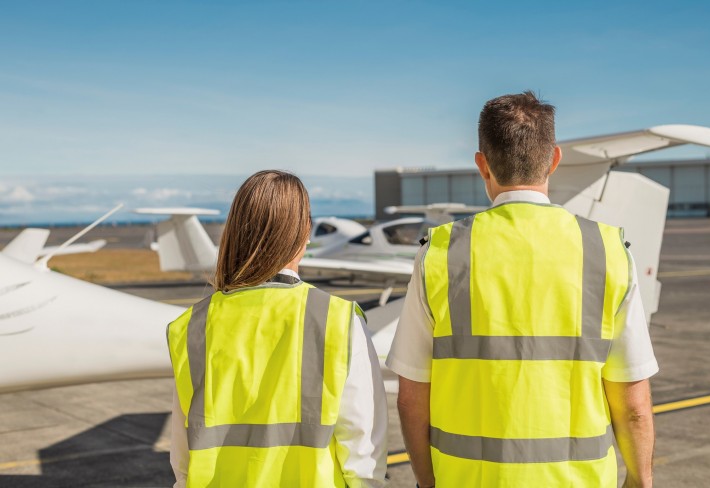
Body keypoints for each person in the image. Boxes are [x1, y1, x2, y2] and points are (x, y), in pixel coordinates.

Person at [387, 92, 658, 487]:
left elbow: (411, 399)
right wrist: (640, 479)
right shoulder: (608, 251)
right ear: (554, 159)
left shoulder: (440, 253)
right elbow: (634, 404)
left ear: (482, 164)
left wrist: (429, 481)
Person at [167, 170, 388, 487]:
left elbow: (183, 464)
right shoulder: (337, 319)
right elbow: (363, 456)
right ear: (305, 232)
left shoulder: (192, 326)